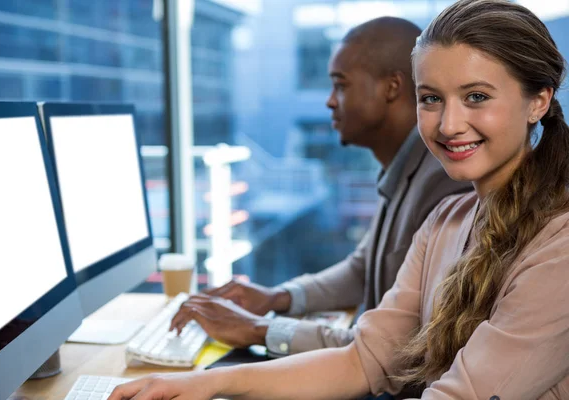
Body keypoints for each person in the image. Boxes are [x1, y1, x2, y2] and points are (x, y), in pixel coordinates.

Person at [109, 0, 569, 398]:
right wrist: (203, 385)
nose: (448, 124)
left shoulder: (559, 243)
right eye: (430, 99)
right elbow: (363, 361)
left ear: (538, 101)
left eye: (475, 96)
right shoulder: (448, 217)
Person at [169, 17, 472, 363]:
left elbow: (394, 349)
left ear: (391, 87)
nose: (330, 101)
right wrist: (277, 297)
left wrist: (259, 329)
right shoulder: (407, 168)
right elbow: (363, 268)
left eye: (341, 86)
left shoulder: (445, 181)